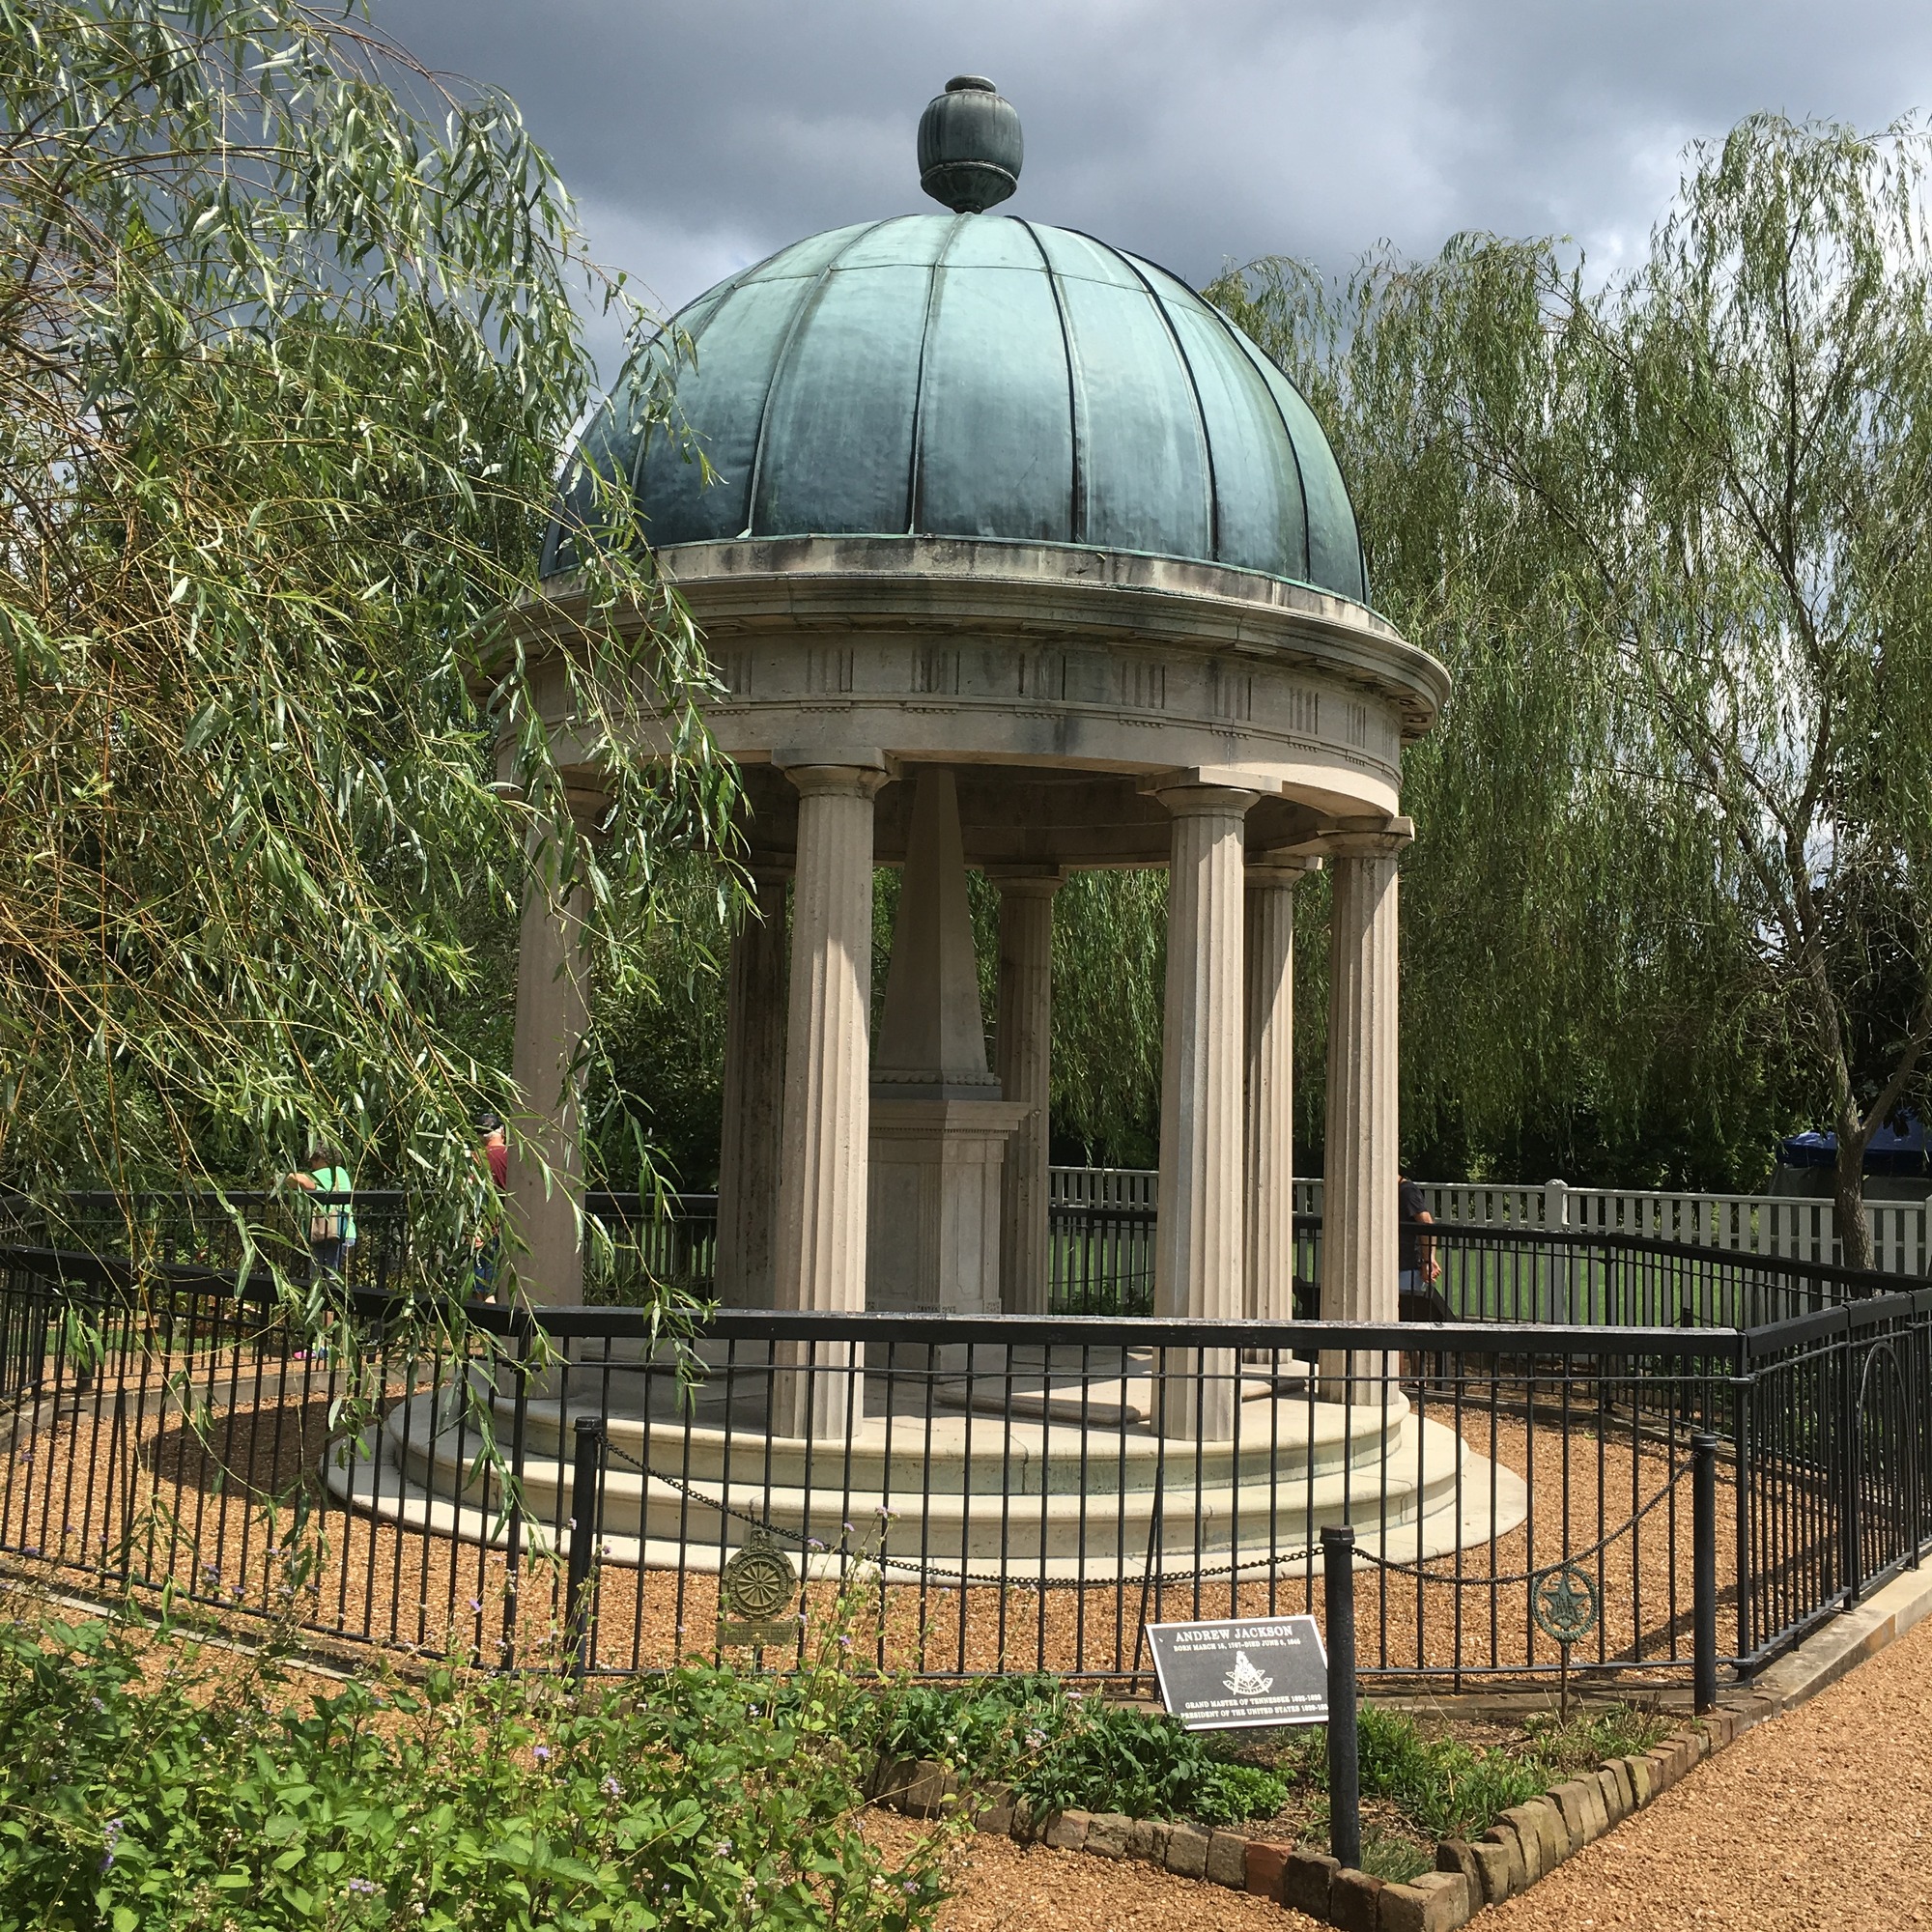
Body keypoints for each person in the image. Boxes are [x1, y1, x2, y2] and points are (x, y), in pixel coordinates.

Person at [292, 1141, 356, 1283]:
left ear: (321, 1158)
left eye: (313, 1161)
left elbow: (301, 1180)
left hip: (330, 1235)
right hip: (343, 1232)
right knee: (331, 1279)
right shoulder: (341, 1173)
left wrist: (278, 1178)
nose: (312, 1166)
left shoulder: (329, 1172)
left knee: (323, 1281)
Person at [1398, 1174, 1449, 1321]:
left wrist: (1428, 1261)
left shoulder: (1407, 1191)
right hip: (1393, 1268)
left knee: (1406, 1317)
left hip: (1408, 1269)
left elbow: (1426, 1223)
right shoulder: (1389, 1192)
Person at [471, 1113, 507, 1302]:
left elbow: (467, 1189)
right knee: (494, 1276)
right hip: (504, 1222)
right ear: (501, 1131)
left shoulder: (476, 1158)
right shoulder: (510, 1156)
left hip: (481, 1225)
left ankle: (481, 1325)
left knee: (480, 1275)